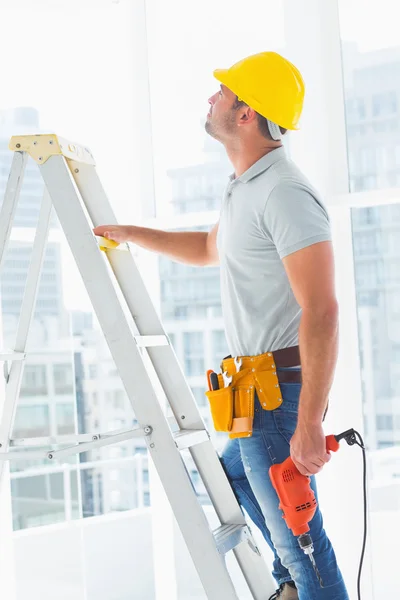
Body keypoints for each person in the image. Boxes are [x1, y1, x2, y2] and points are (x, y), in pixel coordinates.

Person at [94, 51, 348, 600]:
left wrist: (308, 423)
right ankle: (287, 584)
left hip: (279, 398)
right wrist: (134, 234)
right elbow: (211, 247)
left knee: (307, 549)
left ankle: (295, 584)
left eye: (223, 93)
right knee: (232, 477)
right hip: (255, 394)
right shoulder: (245, 188)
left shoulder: (283, 192)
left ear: (246, 114)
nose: (212, 98)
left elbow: (323, 310)